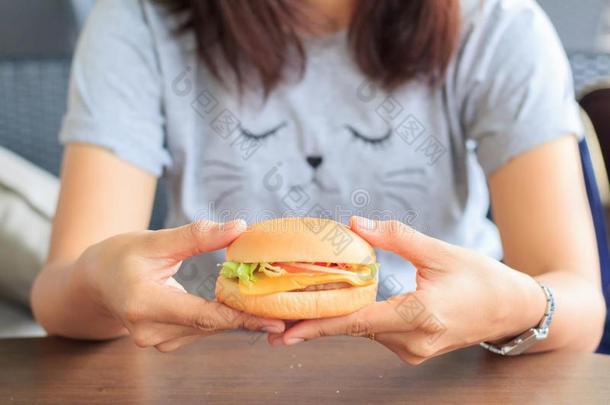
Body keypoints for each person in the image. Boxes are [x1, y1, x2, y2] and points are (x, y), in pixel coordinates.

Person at [31, 0, 606, 362]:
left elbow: (582, 306)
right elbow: (58, 294)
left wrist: (520, 307)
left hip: (447, 370)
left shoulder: (498, 26)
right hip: (205, 371)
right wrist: (100, 280)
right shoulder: (137, 21)